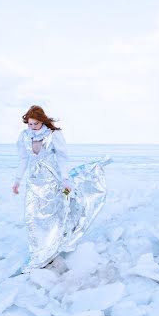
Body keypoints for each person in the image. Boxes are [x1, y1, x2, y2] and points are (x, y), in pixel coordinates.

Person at [12, 105, 110, 273]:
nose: (32, 127)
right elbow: (23, 160)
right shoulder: (24, 136)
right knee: (32, 217)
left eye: (35, 124)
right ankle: (39, 252)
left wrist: (65, 179)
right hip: (34, 182)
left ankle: (51, 250)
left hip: (53, 180)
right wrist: (17, 180)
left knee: (54, 215)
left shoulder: (53, 135)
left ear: (42, 121)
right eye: (29, 124)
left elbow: (62, 158)